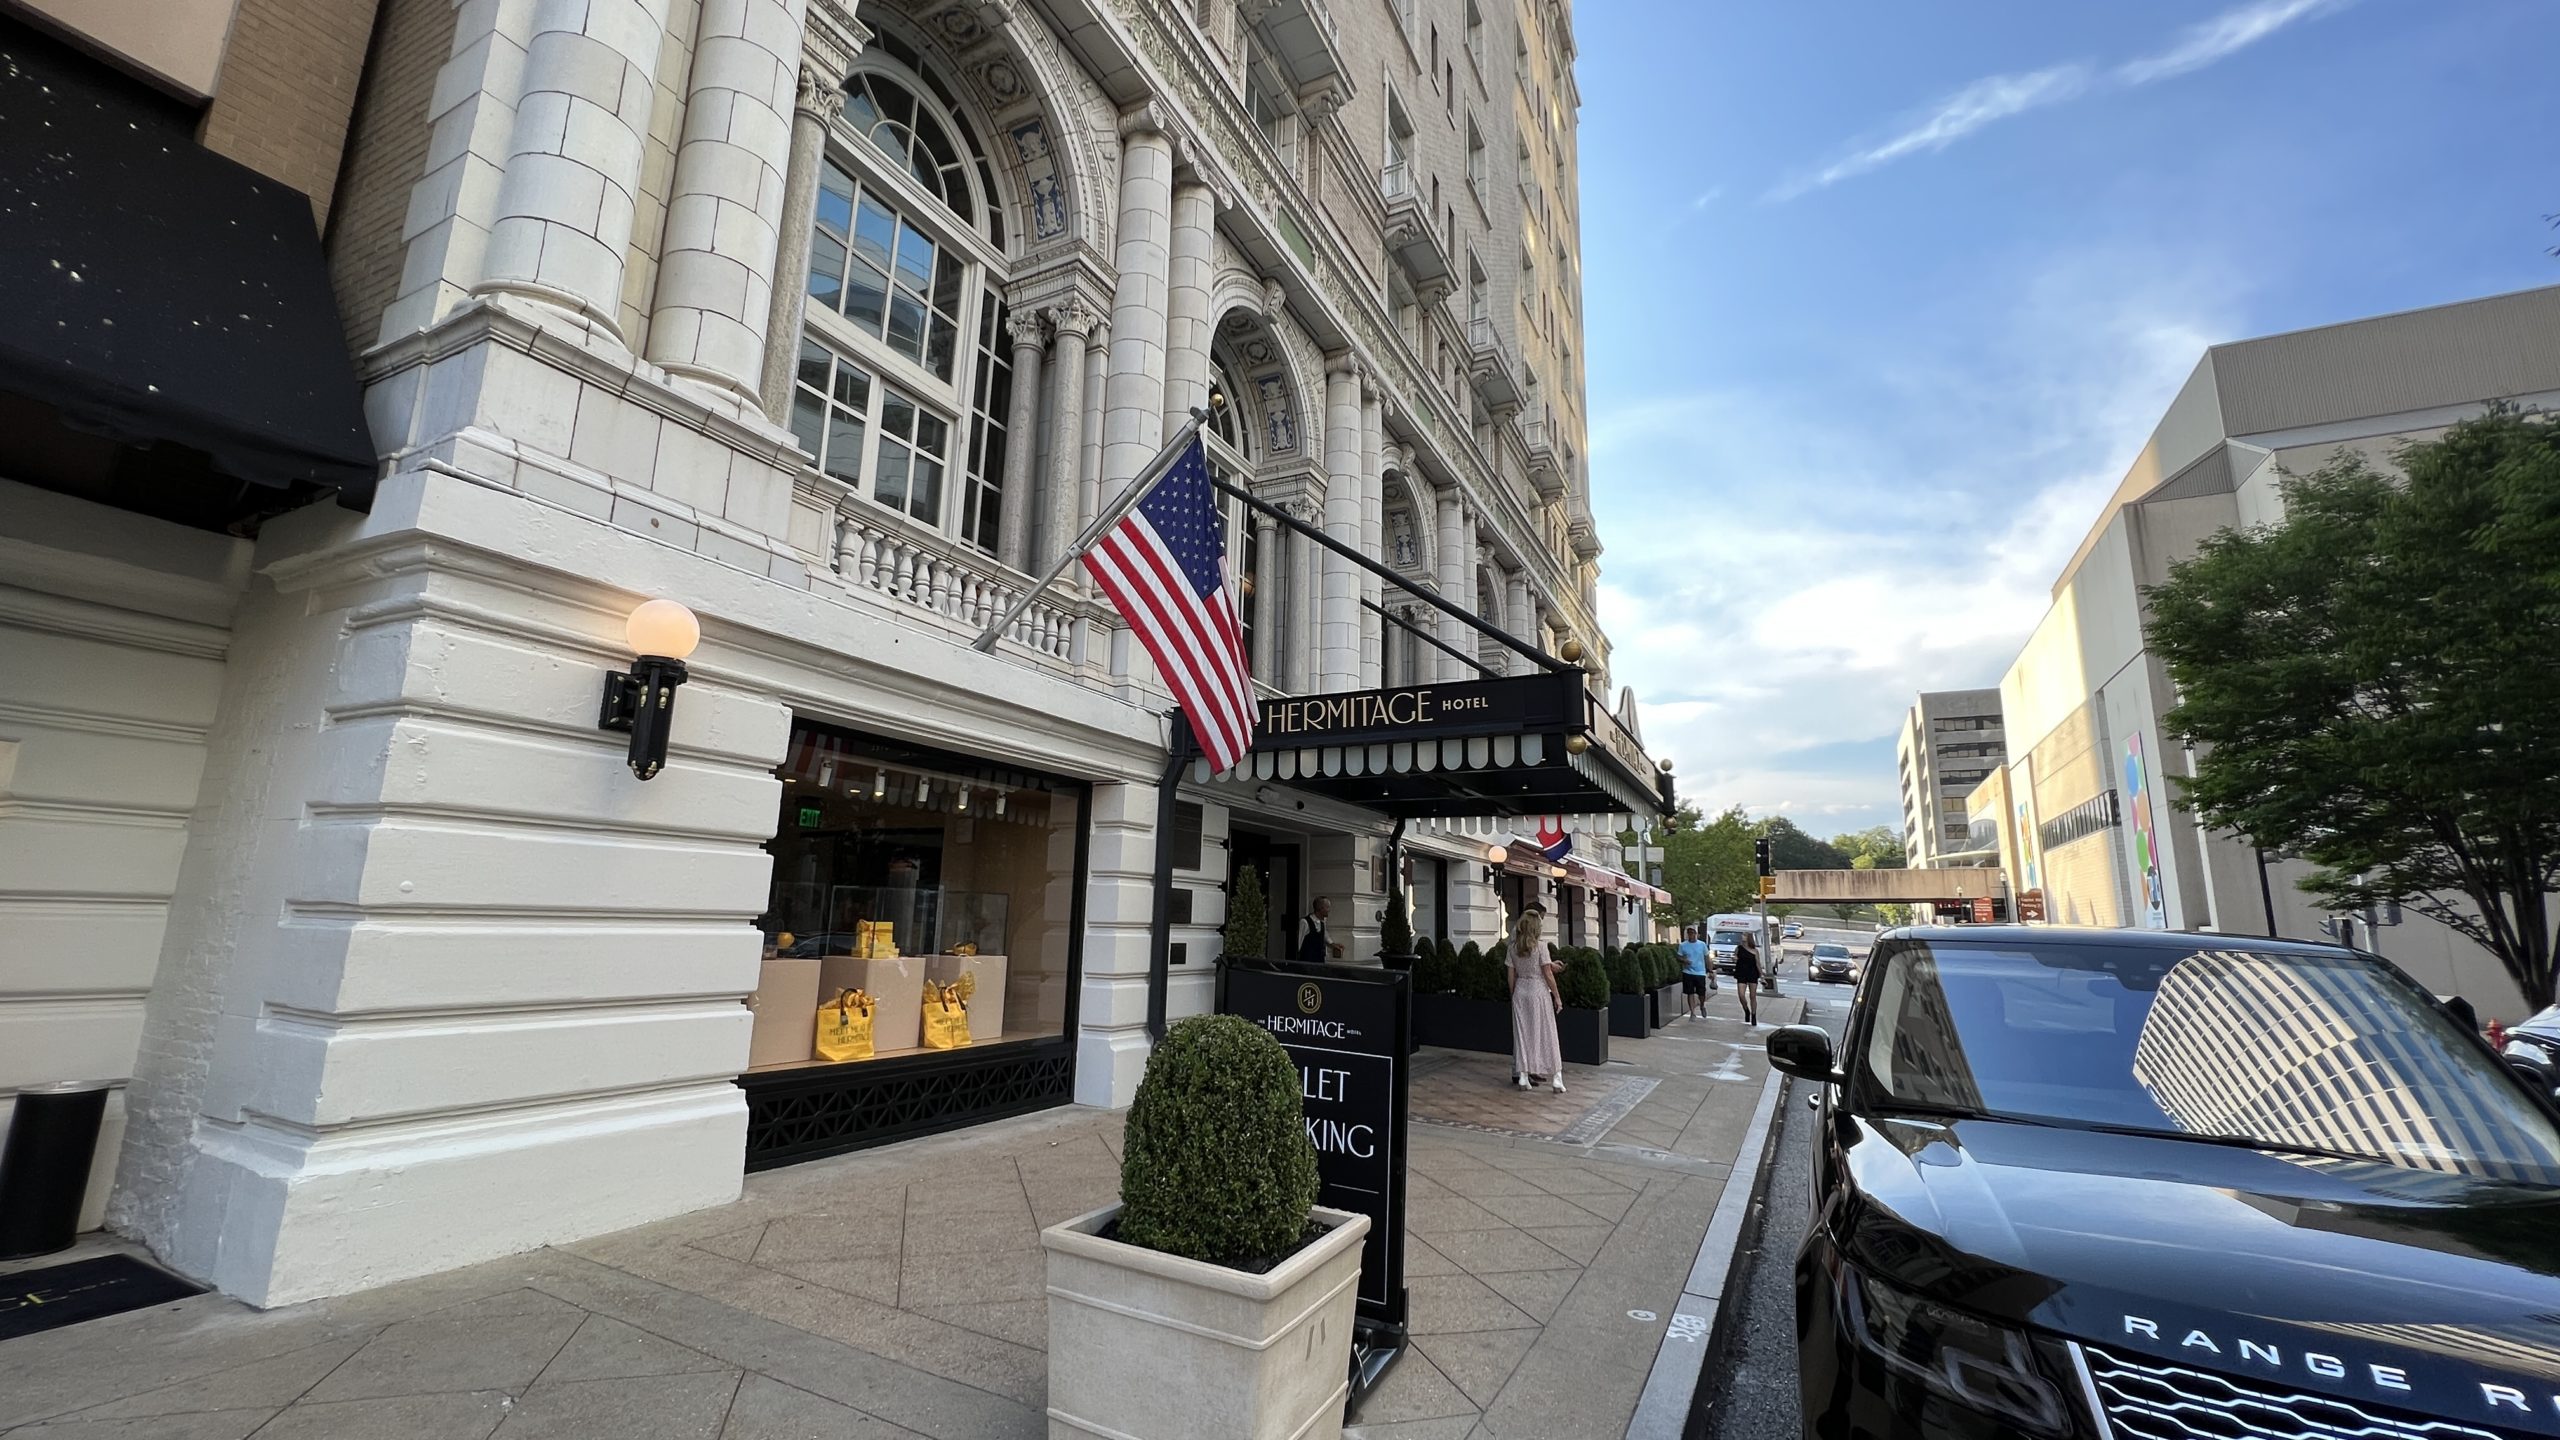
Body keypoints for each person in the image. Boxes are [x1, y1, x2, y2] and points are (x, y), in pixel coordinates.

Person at [1508, 903, 1566, 1093]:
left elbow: (1511, 975)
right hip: (1539, 991)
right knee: (1547, 1034)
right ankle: (1556, 1077)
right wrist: (1557, 997)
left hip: (1520, 992)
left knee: (1523, 1036)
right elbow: (1547, 974)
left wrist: (1513, 993)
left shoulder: (1513, 947)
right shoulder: (1541, 946)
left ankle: (1524, 1076)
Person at [1676, 926, 1712, 1018]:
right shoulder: (1683, 945)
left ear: (1697, 934)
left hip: (1700, 972)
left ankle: (1702, 1005)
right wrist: (1684, 960)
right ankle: (1692, 1012)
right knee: (1690, 992)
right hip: (1688, 972)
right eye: (1689, 933)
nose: (1691, 935)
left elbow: (1707, 958)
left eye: (1693, 933)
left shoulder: (1702, 945)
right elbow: (1679, 956)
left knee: (1701, 993)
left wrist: (1711, 970)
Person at [1296, 897, 1343, 966]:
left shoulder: (1322, 923)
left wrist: (1334, 945)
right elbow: (1299, 942)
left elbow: (1325, 936)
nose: (1329, 910)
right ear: (1320, 908)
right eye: (1327, 907)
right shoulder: (1305, 922)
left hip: (1319, 961)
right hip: (1307, 962)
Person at [1732, 930, 1763, 1027]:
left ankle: (1753, 1015)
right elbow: (1734, 956)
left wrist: (1762, 975)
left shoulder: (1754, 951)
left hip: (1752, 973)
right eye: (1742, 935)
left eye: (1744, 935)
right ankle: (1746, 1010)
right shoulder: (1739, 948)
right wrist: (1734, 958)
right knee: (1741, 995)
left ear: (1749, 937)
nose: (1742, 936)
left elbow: (1758, 963)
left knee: (1752, 996)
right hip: (1741, 972)